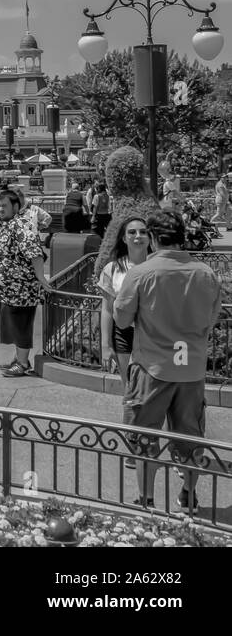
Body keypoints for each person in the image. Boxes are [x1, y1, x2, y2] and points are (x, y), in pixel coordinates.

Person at [113, 209, 222, 511]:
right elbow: (211, 319)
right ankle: (188, 495)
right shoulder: (206, 274)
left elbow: (121, 320)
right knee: (190, 436)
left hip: (152, 368)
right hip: (192, 370)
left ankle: (146, 500)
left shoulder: (141, 273)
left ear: (155, 238)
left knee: (146, 436)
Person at [0, 188, 53, 377]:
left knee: (20, 324)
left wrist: (41, 278)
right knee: (13, 324)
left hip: (19, 289)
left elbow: (35, 252)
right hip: (8, 290)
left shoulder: (20, 225)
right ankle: (18, 358)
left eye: (4, 206)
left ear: (16, 206)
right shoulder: (11, 224)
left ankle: (22, 364)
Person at [98, 215, 150, 455]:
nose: (138, 236)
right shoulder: (113, 268)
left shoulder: (156, 265)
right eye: (132, 232)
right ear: (123, 237)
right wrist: (105, 345)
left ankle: (150, 434)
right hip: (124, 335)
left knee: (151, 389)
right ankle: (133, 436)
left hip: (152, 336)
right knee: (129, 387)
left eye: (143, 231)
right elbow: (107, 308)